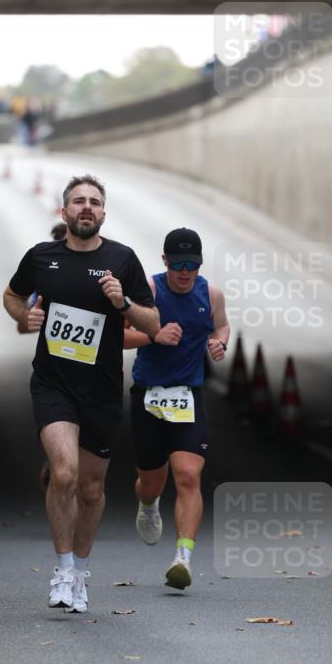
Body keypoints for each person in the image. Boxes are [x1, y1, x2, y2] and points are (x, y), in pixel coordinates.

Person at [3, 174, 159, 613]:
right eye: (78, 201)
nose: (86, 207)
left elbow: (152, 322)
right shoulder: (41, 257)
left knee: (91, 489)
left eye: (94, 202)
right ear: (64, 212)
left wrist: (123, 304)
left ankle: (82, 573)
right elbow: (12, 296)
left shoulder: (122, 260)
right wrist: (24, 316)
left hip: (102, 390)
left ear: (103, 213)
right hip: (53, 384)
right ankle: (63, 571)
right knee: (65, 473)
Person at [123, 228, 229, 591]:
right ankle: (149, 504)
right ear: (165, 261)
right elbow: (119, 336)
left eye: (193, 265)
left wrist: (219, 343)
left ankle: (183, 557)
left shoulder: (211, 294)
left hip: (188, 396)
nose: (185, 273)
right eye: (179, 265)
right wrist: (154, 334)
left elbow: (222, 326)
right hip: (149, 394)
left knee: (188, 475)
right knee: (152, 481)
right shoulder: (149, 293)